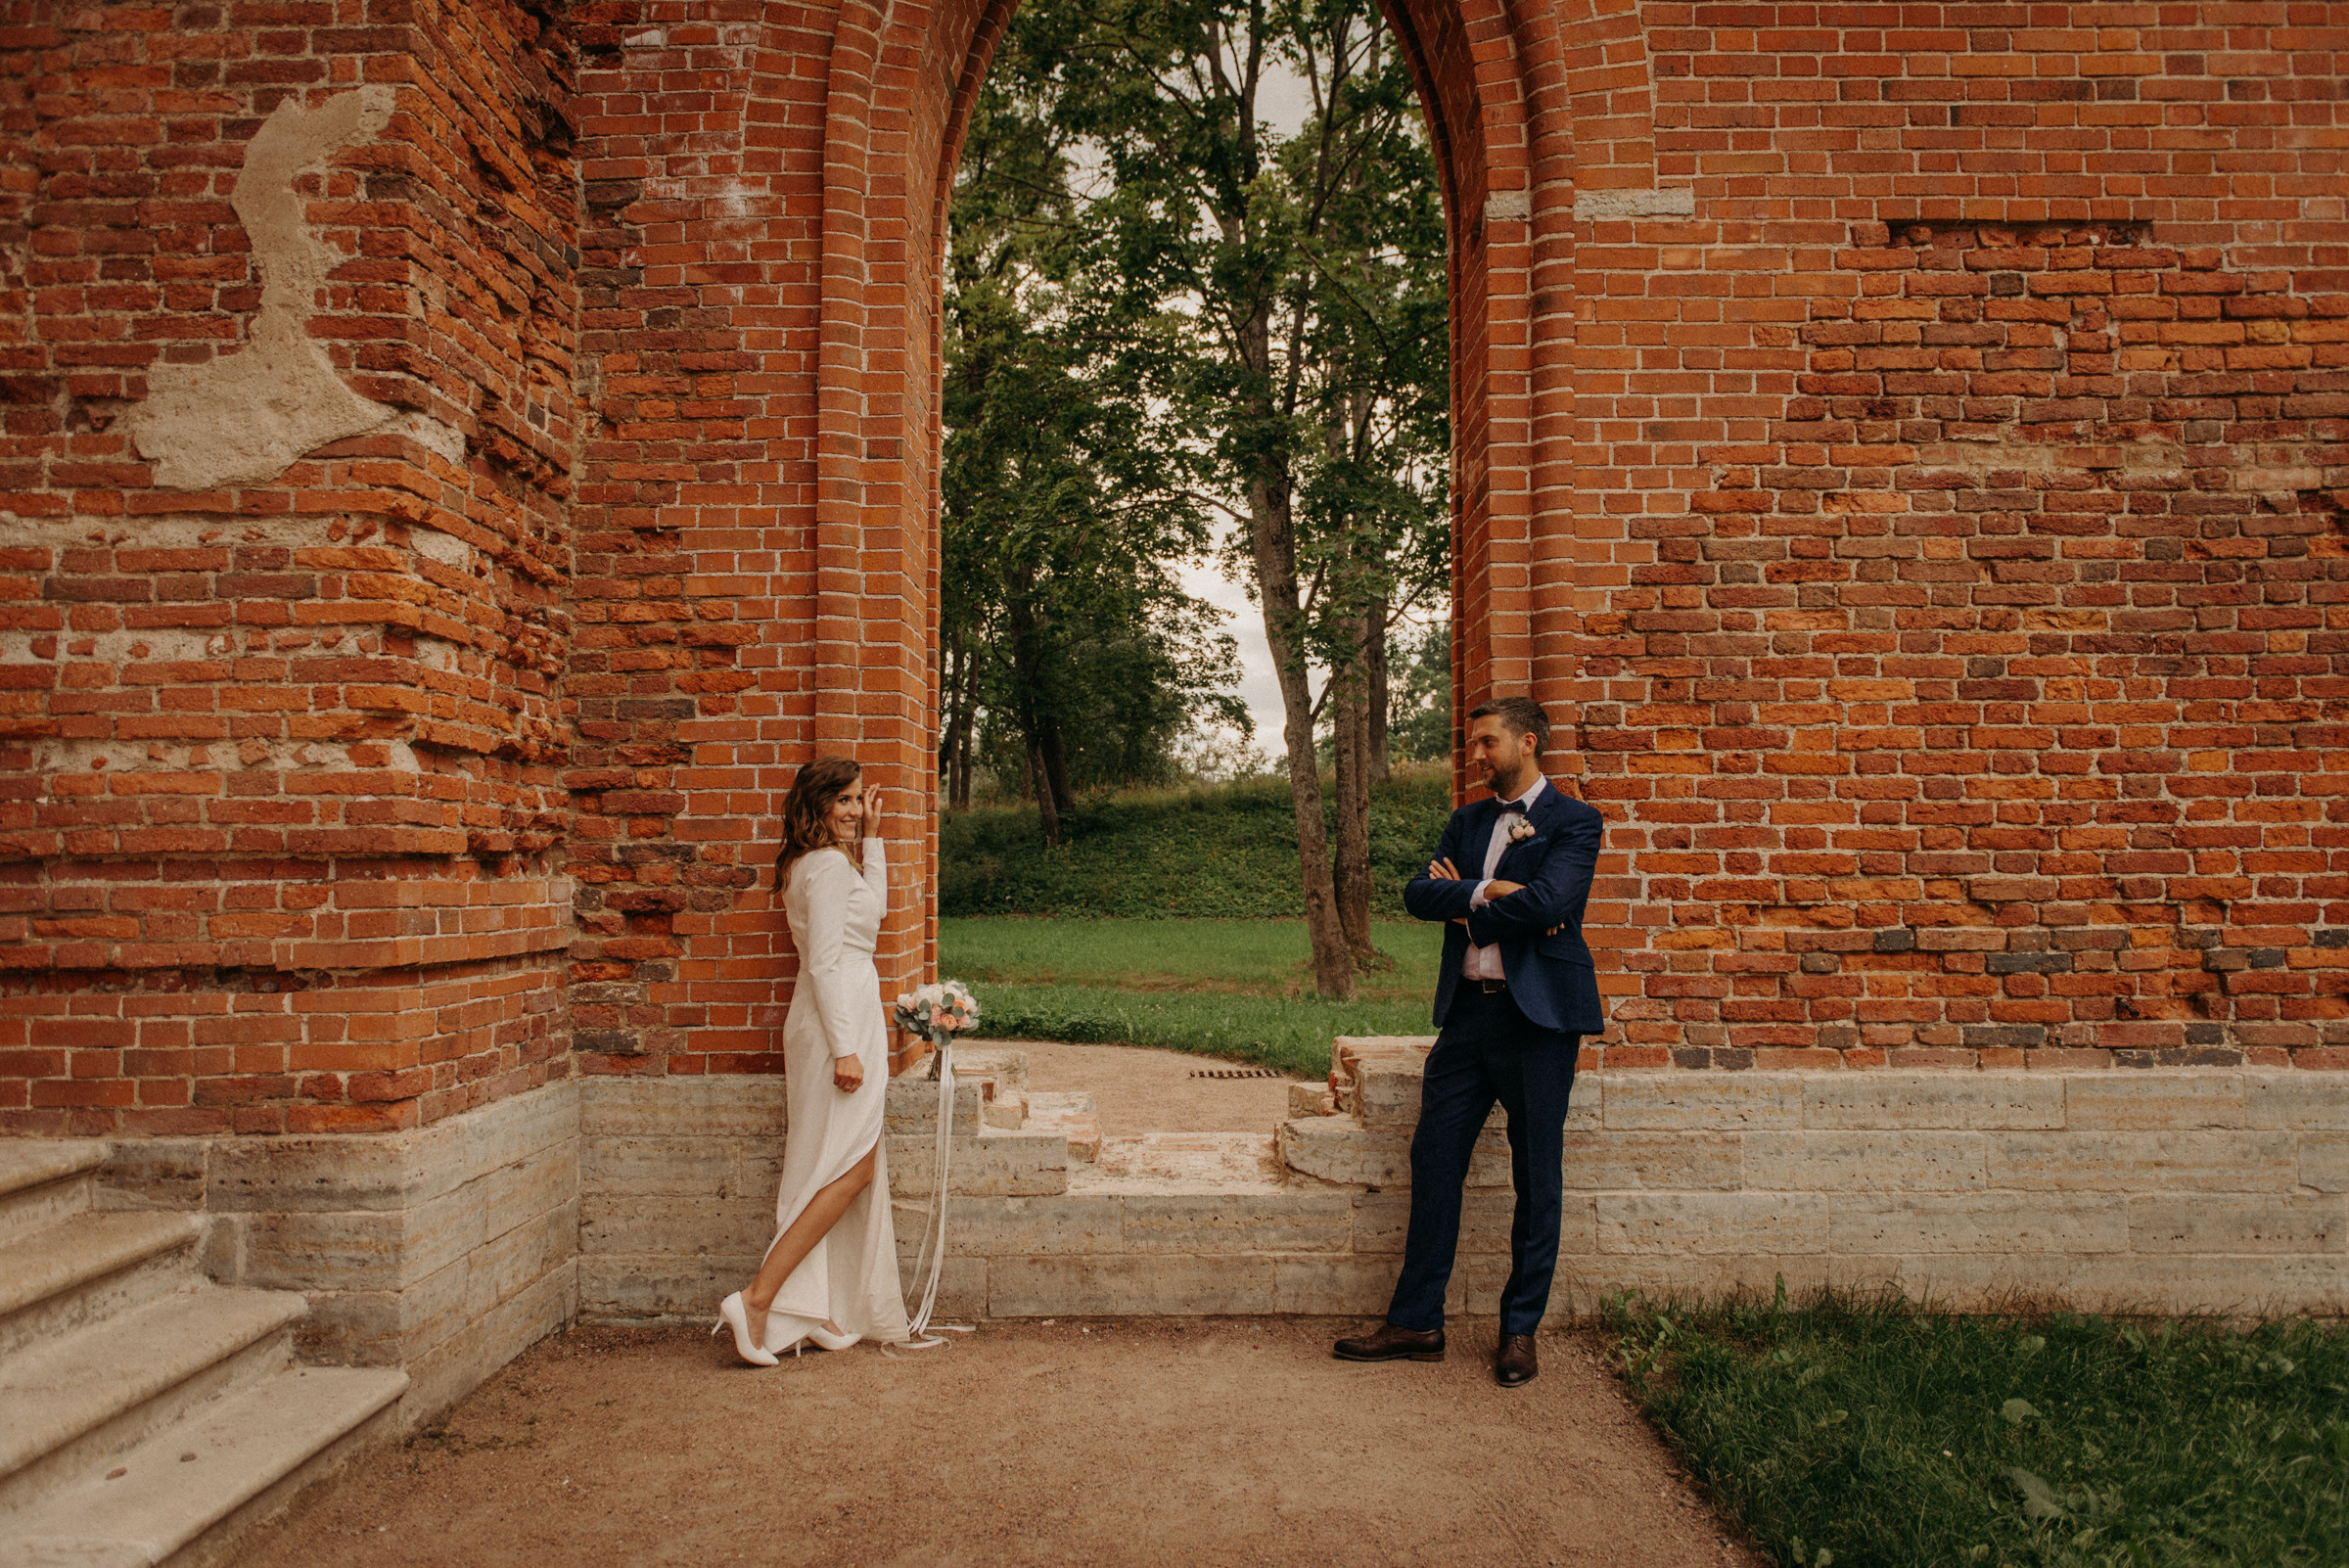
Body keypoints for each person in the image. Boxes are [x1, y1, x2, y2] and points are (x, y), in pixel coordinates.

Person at [1332, 697, 1605, 1388]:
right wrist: (1491, 889)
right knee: (1435, 1158)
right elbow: (1419, 894)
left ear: (1528, 742)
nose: (1474, 756)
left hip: (1540, 1022)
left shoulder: (1575, 821)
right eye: (1472, 745)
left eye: (1486, 743)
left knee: (1536, 1175)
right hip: (1467, 1019)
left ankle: (1519, 1331)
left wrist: (1480, 898)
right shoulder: (1468, 820)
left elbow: (1552, 905)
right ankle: (1418, 1320)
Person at [714, 756, 912, 1364]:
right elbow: (826, 960)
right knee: (847, 1168)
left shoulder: (818, 862)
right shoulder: (825, 867)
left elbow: (873, 915)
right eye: (845, 800)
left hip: (840, 1011)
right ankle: (757, 1299)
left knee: (842, 1163)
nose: (855, 810)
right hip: (838, 1020)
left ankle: (815, 1307)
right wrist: (847, 1048)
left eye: (859, 800)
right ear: (819, 804)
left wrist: (874, 839)